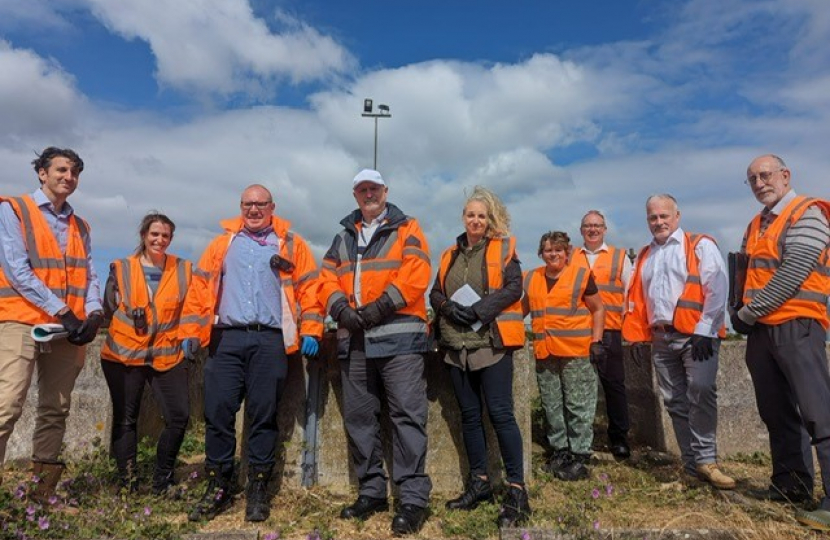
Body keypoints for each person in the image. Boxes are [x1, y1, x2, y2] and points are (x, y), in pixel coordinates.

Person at [182, 184, 322, 523]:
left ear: (272, 207)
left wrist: (312, 330)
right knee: (218, 412)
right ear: (240, 207)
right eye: (247, 204)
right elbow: (200, 289)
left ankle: (258, 488)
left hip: (269, 340)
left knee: (263, 415)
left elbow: (310, 289)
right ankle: (218, 486)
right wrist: (189, 333)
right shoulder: (222, 244)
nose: (254, 210)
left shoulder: (291, 244)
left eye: (260, 204)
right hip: (226, 339)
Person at [319, 169, 432, 535]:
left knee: (407, 417)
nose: (368, 194)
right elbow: (325, 279)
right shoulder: (342, 237)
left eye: (374, 188)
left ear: (385, 191)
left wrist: (382, 306)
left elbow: (417, 273)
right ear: (355, 195)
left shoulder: (407, 228)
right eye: (362, 189)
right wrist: (341, 309)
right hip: (355, 340)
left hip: (399, 340)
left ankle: (412, 499)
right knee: (359, 418)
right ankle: (372, 491)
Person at [731, 154, 830, 531]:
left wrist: (748, 313)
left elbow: (794, 270)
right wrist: (740, 311)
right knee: (776, 411)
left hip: (797, 324)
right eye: (752, 179)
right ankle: (790, 485)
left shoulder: (807, 213)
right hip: (762, 330)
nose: (759, 183)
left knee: (819, 413)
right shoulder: (757, 223)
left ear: (785, 175)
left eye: (765, 175)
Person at [0, 147, 103, 502]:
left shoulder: (81, 225)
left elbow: (89, 275)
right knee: (6, 405)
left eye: (74, 172)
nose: (68, 177)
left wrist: (93, 313)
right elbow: (17, 270)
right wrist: (63, 311)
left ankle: (40, 498)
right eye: (61, 170)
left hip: (65, 329)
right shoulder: (14, 209)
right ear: (42, 173)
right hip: (21, 319)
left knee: (56, 409)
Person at [429, 186, 530, 527]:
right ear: (463, 217)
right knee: (469, 416)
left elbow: (514, 288)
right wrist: (447, 308)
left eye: (481, 216)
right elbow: (435, 292)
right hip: (456, 345)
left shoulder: (503, 248)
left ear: (490, 220)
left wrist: (478, 310)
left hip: (491, 343)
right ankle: (480, 484)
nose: (475, 220)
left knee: (501, 414)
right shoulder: (449, 254)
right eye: (471, 215)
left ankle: (517, 491)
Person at [622, 194, 734, 490]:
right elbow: (637, 299)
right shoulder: (645, 255)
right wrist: (636, 337)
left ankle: (707, 460)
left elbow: (716, 286)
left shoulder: (699, 245)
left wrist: (705, 329)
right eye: (653, 217)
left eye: (664, 216)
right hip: (660, 337)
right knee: (675, 401)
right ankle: (691, 466)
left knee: (701, 392)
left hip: (695, 335)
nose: (658, 222)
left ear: (677, 216)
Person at [100, 212, 192, 495]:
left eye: (165, 235)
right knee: (126, 419)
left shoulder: (184, 269)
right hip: (124, 355)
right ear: (144, 236)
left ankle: (161, 480)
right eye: (154, 234)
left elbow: (193, 307)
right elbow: (108, 307)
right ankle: (128, 483)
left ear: (171, 239)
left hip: (167, 354)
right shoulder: (122, 268)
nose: (159, 240)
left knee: (178, 417)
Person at [522, 231, 605, 481]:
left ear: (567, 252)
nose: (553, 254)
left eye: (558, 250)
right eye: (548, 250)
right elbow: (521, 310)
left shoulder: (581, 275)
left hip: (575, 351)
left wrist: (597, 341)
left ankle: (580, 455)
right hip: (545, 351)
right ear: (541, 253)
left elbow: (598, 308)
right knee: (552, 404)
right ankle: (560, 451)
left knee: (578, 404)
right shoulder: (531, 278)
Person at [573, 210, 633, 459]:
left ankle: (619, 438)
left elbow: (630, 294)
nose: (593, 229)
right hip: (578, 330)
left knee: (614, 385)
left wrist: (630, 328)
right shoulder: (571, 256)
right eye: (588, 225)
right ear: (581, 230)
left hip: (609, 330)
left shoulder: (620, 257)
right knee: (578, 386)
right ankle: (578, 438)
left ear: (605, 229)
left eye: (597, 225)